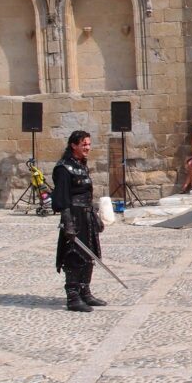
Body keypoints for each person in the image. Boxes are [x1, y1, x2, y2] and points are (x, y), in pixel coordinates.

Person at [52, 131, 107, 313]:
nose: (87, 148)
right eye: (84, 144)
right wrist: (68, 223)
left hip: (87, 216)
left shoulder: (81, 165)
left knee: (90, 254)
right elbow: (62, 198)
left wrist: (95, 216)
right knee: (75, 255)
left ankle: (85, 292)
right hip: (74, 216)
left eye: (89, 144)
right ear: (73, 145)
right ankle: (73, 297)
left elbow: (87, 195)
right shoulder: (64, 168)